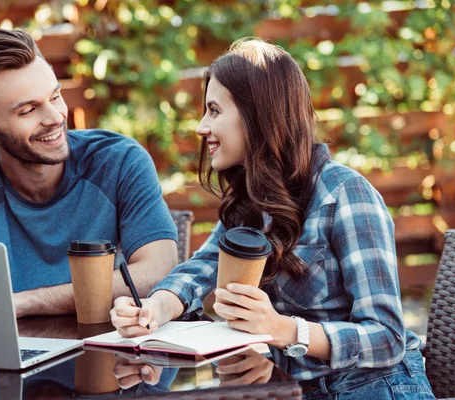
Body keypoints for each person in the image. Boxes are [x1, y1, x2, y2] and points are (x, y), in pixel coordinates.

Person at [110, 38, 435, 399]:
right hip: (297, 389)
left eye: (214, 111)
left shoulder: (344, 195)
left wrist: (284, 330)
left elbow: (387, 337)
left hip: (376, 388)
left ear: (257, 116)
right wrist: (154, 309)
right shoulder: (254, 198)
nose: (202, 128)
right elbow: (201, 268)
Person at [0, 29, 178, 318]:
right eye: (28, 110)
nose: (55, 118)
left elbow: (158, 271)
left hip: (115, 359)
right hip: (11, 361)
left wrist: (27, 302)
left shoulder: (118, 162)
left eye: (55, 97)